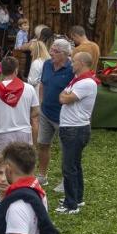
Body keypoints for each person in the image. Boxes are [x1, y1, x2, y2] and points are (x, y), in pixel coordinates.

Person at [55, 51, 98, 213]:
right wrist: (65, 95)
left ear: (81, 63)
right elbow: (63, 95)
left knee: (69, 168)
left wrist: (65, 95)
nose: (71, 64)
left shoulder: (85, 83)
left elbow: (64, 99)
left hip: (74, 129)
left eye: (73, 62)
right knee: (75, 165)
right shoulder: (78, 80)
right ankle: (77, 198)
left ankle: (70, 204)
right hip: (74, 128)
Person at [35, 39, 75, 184]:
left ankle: (66, 180)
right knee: (43, 144)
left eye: (55, 51)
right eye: (51, 49)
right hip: (46, 113)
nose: (51, 53)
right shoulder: (47, 64)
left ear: (65, 54)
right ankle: (42, 175)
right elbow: (42, 84)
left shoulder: (72, 69)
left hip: (64, 116)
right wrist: (41, 103)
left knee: (67, 150)